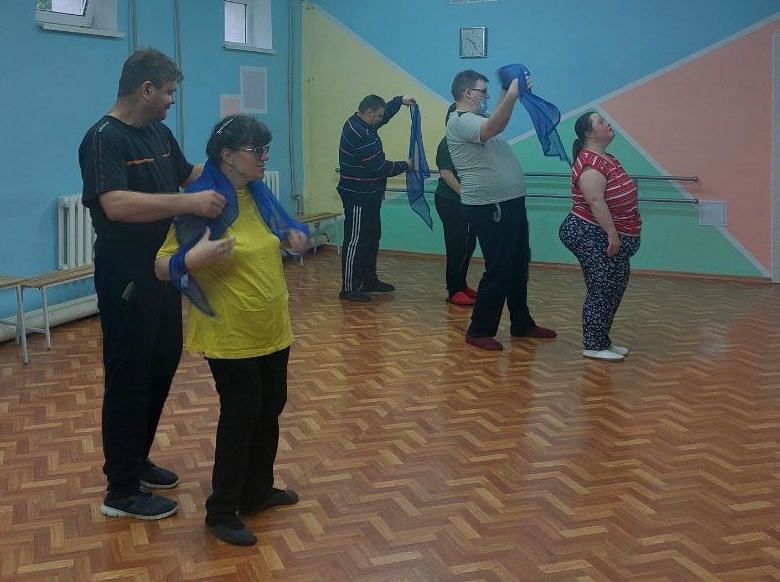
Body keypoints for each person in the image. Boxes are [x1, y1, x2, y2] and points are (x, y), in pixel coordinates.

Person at [78, 48, 227, 520]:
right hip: (126, 275)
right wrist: (186, 204)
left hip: (164, 269)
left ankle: (136, 459)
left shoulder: (158, 132)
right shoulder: (103, 138)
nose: (171, 101)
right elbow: (116, 204)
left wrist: (233, 165)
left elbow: (187, 174)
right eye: (168, 92)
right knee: (128, 374)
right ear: (146, 89)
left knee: (161, 363)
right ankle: (120, 491)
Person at [155, 115, 308, 546]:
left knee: (270, 406)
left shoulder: (259, 195)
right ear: (228, 155)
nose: (264, 157)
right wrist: (195, 258)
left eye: (265, 149)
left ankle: (257, 491)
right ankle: (221, 510)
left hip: (271, 327)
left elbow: (273, 235)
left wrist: (290, 238)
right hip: (230, 333)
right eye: (256, 150)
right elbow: (162, 266)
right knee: (242, 414)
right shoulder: (202, 203)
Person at [446, 69, 556, 350]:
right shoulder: (459, 121)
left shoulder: (478, 118)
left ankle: (522, 323)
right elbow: (492, 127)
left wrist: (508, 90)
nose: (486, 95)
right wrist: (513, 94)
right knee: (499, 268)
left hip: (508, 203)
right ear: (468, 93)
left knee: (517, 265)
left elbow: (494, 119)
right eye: (483, 91)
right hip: (489, 206)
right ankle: (479, 330)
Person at [558, 112, 641, 361]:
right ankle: (593, 345)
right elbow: (595, 201)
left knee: (615, 285)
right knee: (602, 287)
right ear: (589, 133)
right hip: (588, 232)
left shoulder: (608, 158)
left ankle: (603, 340)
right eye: (601, 122)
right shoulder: (590, 165)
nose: (608, 124)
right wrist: (612, 234)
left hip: (604, 233)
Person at [337, 93, 415, 302]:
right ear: (369, 112)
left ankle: (369, 280)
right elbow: (380, 167)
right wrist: (405, 165)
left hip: (370, 195)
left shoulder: (362, 123)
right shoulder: (360, 133)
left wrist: (399, 101)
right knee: (356, 241)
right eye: (379, 116)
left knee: (371, 238)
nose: (381, 119)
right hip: (358, 196)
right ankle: (349, 288)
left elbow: (385, 114)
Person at [435, 103, 478, 306]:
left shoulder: (466, 143)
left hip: (466, 201)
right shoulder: (447, 143)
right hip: (450, 201)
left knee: (469, 243)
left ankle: (461, 284)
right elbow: (446, 174)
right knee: (456, 245)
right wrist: (466, 195)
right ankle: (454, 290)